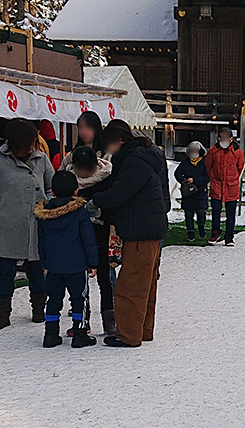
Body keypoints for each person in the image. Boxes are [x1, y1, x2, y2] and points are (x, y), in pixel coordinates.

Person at [0, 118, 54, 330]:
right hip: (7, 224)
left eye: (32, 143)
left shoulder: (41, 159)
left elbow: (52, 188)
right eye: (26, 143)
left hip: (36, 225)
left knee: (36, 269)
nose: (30, 147)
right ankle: (3, 314)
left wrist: (54, 209)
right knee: (5, 270)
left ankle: (38, 310)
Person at [93, 120, 168, 348]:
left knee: (130, 285)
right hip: (150, 227)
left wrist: (94, 200)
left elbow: (119, 193)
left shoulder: (134, 161)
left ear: (119, 142)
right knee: (146, 284)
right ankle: (143, 330)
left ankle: (128, 335)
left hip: (140, 230)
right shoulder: (144, 154)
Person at [34, 171, 99, 348]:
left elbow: (41, 241)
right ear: (76, 191)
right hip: (77, 265)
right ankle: (80, 333)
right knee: (79, 299)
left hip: (53, 266)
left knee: (54, 299)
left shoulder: (44, 215)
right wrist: (93, 263)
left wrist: (45, 263)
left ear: (52, 192)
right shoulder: (80, 212)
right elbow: (88, 240)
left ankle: (50, 334)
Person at [62, 142, 117, 335]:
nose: (84, 174)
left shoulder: (106, 177)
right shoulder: (68, 180)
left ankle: (109, 318)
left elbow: (111, 205)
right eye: (81, 170)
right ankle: (81, 320)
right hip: (76, 237)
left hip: (100, 233)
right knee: (79, 280)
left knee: (105, 277)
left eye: (88, 170)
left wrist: (98, 211)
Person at [205, 127, 244, 246]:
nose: (223, 140)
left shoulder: (237, 152)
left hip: (231, 186)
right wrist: (213, 179)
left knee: (230, 213)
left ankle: (229, 237)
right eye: (221, 138)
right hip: (217, 185)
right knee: (215, 211)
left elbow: (240, 167)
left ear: (231, 139)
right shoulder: (213, 151)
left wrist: (233, 178)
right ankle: (215, 232)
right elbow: (208, 166)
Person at [174, 141, 209, 242]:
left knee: (201, 212)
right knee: (188, 214)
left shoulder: (205, 162)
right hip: (188, 192)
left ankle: (201, 228)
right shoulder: (185, 162)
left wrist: (195, 180)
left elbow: (208, 177)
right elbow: (177, 174)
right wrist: (184, 182)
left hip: (201, 192)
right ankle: (190, 233)